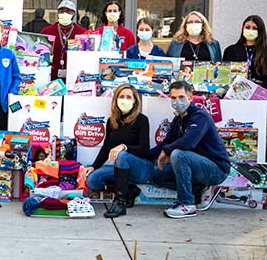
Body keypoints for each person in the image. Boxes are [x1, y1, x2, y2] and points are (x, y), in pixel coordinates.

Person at [150, 81, 230, 219]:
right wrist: (133, 151)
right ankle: (197, 190)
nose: (177, 101)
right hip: (197, 169)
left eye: (181, 97)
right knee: (155, 175)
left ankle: (187, 204)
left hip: (217, 169)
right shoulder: (177, 120)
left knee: (178, 155)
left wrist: (166, 151)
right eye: (173, 98)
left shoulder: (200, 116)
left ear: (190, 98)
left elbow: (188, 143)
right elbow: (164, 144)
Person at [84, 84, 153, 218]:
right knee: (93, 180)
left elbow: (144, 149)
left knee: (122, 155)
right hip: (121, 169)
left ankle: (119, 203)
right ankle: (129, 191)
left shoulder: (142, 120)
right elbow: (106, 148)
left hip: (141, 168)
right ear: (115, 100)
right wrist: (93, 166)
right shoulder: (112, 121)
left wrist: (124, 146)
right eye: (121, 96)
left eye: (128, 97)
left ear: (134, 101)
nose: (124, 100)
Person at [40, 0, 87, 81]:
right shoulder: (47, 32)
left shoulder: (82, 33)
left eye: (68, 11)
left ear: (74, 14)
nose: (65, 14)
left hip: (74, 75)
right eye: (62, 11)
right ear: (58, 13)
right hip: (50, 75)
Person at [223, 15, 267, 88]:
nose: (250, 30)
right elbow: (225, 76)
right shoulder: (231, 50)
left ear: (260, 31)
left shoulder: (265, 51)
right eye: (247, 27)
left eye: (254, 28)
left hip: (261, 95)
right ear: (242, 28)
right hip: (236, 93)